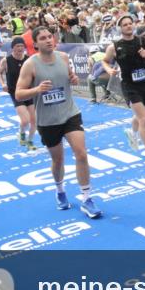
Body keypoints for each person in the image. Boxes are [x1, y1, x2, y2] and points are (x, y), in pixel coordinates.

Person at [15, 27, 102, 219]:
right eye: (43, 38)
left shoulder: (62, 57)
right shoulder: (30, 65)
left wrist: (74, 78)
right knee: (58, 160)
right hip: (47, 120)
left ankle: (87, 198)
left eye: (50, 37)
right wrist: (37, 89)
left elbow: (71, 77)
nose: (48, 40)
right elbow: (18, 93)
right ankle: (60, 189)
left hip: (70, 113)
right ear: (35, 43)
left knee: (81, 153)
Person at [101, 15, 145, 168]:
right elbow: (104, 60)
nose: (129, 26)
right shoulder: (114, 46)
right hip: (129, 86)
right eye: (125, 25)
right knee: (144, 119)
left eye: (130, 24)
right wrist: (109, 69)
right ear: (120, 28)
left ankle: (132, 133)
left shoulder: (144, 41)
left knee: (140, 115)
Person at [0, 36, 37, 150]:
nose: (20, 48)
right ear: (12, 48)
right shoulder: (6, 60)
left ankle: (30, 141)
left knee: (34, 120)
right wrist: (3, 84)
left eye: (21, 46)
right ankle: (21, 133)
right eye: (17, 46)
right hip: (16, 93)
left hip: (29, 91)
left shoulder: (29, 60)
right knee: (25, 120)